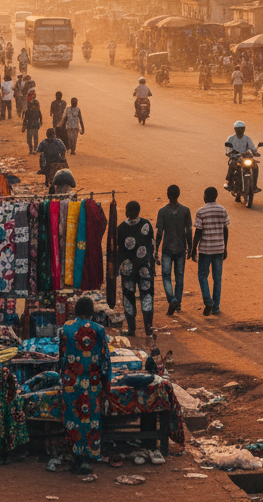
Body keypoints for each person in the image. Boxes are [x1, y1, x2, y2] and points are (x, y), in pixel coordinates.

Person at [58, 295, 111, 474]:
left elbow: (62, 356)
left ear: (75, 311)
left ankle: (76, 455)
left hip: (71, 381)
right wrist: (107, 381)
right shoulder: (100, 330)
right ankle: (89, 454)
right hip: (93, 382)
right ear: (92, 312)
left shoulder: (65, 328)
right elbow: (105, 360)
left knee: (73, 417)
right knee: (91, 419)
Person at [118, 201, 155, 339]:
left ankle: (132, 329)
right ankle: (148, 328)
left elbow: (119, 251)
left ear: (126, 212)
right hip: (145, 268)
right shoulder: (146, 224)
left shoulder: (121, 228)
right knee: (147, 297)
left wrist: (117, 268)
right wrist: (152, 266)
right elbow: (151, 246)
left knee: (129, 298)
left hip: (128, 270)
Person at [155, 185, 192, 316]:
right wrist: (190, 246)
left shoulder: (163, 212)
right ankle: (178, 303)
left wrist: (155, 250)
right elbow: (188, 231)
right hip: (181, 248)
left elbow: (159, 233)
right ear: (179, 194)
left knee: (166, 276)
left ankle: (172, 299)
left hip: (167, 249)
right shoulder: (185, 211)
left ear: (167, 195)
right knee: (179, 276)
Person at [192, 187, 229, 316]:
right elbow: (225, 230)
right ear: (216, 196)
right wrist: (225, 247)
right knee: (217, 278)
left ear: (205, 197)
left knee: (202, 275)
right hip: (219, 248)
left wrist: (193, 248)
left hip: (205, 249)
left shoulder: (201, 211)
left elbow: (198, 231)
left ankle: (208, 300)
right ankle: (216, 307)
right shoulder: (222, 210)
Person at [224, 120, 261, 193]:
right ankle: (230, 183)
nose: (240, 130)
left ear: (244, 129)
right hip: (236, 158)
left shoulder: (247, 139)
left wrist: (255, 152)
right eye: (238, 129)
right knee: (232, 165)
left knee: (255, 166)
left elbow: (252, 148)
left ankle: (254, 185)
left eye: (242, 129)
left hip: (246, 158)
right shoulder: (231, 139)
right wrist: (230, 153)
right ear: (235, 129)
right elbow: (228, 149)